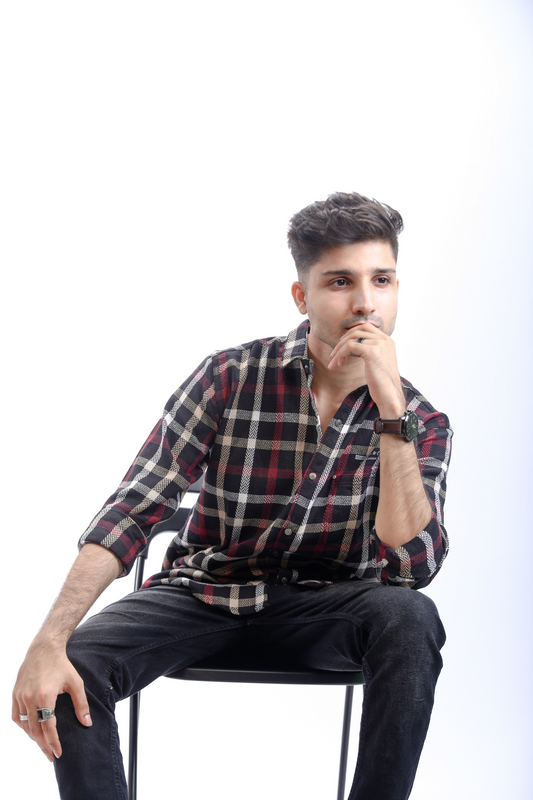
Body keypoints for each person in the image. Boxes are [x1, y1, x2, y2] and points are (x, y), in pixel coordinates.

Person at [12, 192, 452, 800]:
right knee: (72, 666)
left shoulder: (420, 421)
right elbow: (136, 506)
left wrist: (390, 413)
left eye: (381, 280)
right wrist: (48, 639)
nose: (365, 303)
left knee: (411, 619)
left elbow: (412, 566)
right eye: (340, 282)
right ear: (301, 296)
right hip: (205, 593)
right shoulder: (230, 376)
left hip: (328, 608)